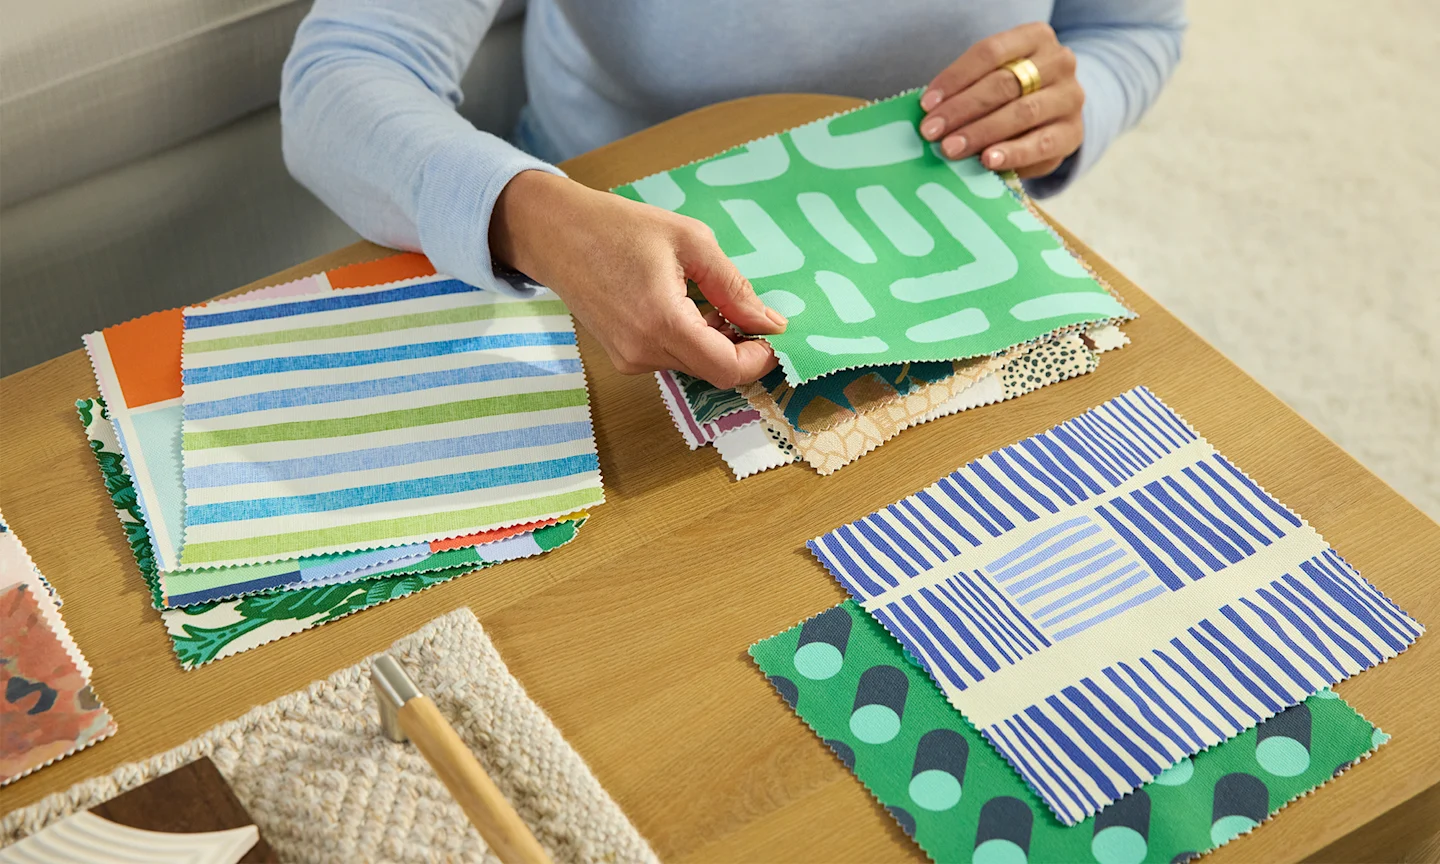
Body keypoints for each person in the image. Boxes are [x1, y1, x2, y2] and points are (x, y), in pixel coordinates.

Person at [281, 1, 1184, 388]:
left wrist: (1071, 106)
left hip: (970, 274)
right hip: (595, 286)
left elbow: (1131, 26)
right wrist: (536, 220)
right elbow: (339, 77)